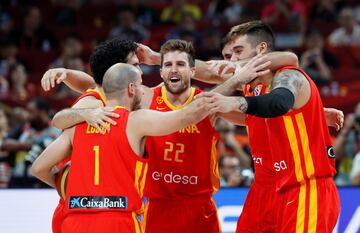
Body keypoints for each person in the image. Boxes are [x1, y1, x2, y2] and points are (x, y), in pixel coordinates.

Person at [31, 63, 213, 233]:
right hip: (118, 220)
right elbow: (185, 117)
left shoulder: (77, 126)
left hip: (75, 221)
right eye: (141, 85)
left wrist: (64, 185)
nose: (143, 91)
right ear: (131, 89)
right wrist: (229, 86)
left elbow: (39, 168)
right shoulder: (135, 121)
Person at [199, 20, 340, 233]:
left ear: (261, 50)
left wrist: (235, 102)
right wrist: (159, 60)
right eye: (228, 57)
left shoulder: (289, 74)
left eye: (238, 52)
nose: (232, 61)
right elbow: (212, 73)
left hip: (304, 186)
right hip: (266, 187)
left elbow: (278, 102)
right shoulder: (250, 84)